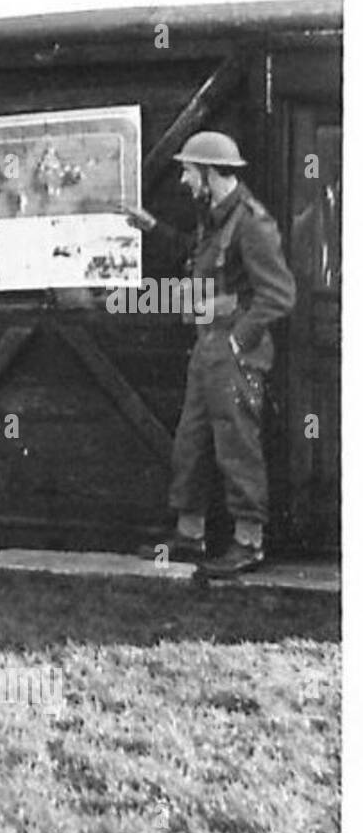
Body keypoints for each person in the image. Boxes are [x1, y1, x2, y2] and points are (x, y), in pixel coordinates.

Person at [124, 131, 296, 576]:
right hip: (208, 346)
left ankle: (249, 542)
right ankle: (190, 535)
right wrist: (152, 227)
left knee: (237, 444)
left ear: (209, 172)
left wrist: (238, 340)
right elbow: (198, 257)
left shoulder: (253, 223)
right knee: (192, 441)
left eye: (188, 171)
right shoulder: (217, 216)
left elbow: (279, 295)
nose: (183, 180)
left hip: (235, 352)